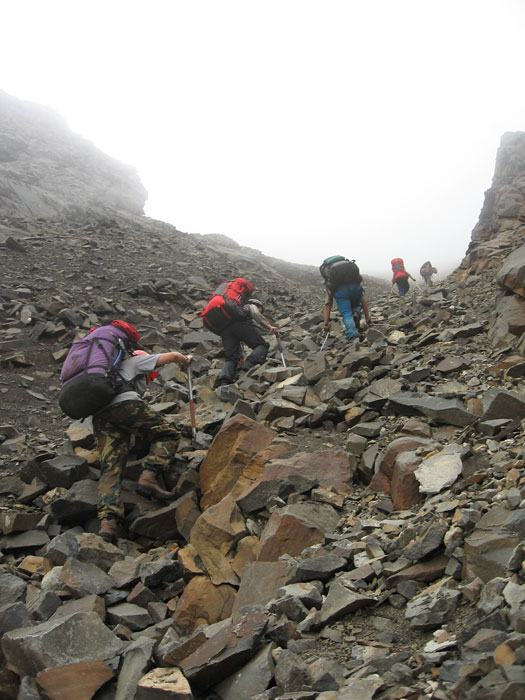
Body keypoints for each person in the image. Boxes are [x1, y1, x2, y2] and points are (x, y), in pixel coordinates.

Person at [93, 345, 193, 544]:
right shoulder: (136, 360)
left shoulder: (111, 375)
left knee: (111, 467)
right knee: (169, 434)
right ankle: (149, 477)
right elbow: (172, 355)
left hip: (100, 415)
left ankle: (108, 525)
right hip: (124, 405)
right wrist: (186, 359)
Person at [217, 298, 279, 386]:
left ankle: (224, 381)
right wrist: (270, 326)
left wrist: (241, 357)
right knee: (262, 345)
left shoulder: (234, 311)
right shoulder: (248, 306)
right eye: (261, 309)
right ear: (257, 305)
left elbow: (239, 341)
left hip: (225, 330)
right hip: (239, 325)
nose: (261, 312)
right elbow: (255, 314)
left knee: (231, 357)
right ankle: (249, 366)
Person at [323, 276, 372, 347]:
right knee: (356, 306)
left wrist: (325, 324)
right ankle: (355, 313)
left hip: (341, 292)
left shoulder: (331, 282)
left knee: (347, 314)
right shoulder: (351, 276)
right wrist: (368, 318)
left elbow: (328, 306)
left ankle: (353, 337)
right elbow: (363, 302)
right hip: (356, 288)